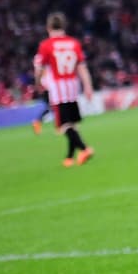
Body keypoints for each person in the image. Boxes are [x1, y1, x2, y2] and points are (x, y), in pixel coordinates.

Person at [33, 12, 97, 166]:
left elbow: (40, 68)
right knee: (72, 125)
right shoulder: (74, 43)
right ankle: (69, 158)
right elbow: (82, 68)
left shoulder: (46, 45)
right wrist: (88, 86)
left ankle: (84, 148)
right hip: (73, 88)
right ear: (64, 26)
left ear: (48, 28)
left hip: (58, 90)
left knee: (64, 126)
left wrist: (38, 83)